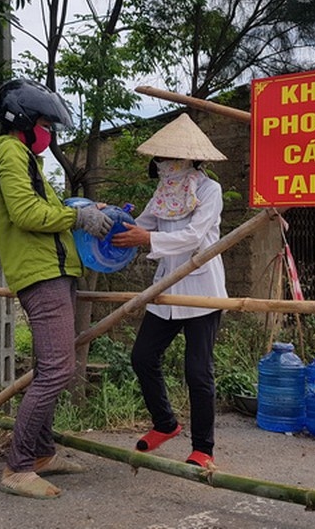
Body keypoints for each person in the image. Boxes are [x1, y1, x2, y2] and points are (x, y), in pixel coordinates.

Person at [0, 78, 114, 499]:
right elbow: (24, 212)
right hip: (41, 274)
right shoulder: (9, 154)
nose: (48, 132)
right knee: (58, 370)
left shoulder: (23, 158)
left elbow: (50, 209)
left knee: (51, 366)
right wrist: (77, 220)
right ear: (22, 121)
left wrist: (85, 211)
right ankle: (18, 466)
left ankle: (40, 453)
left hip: (51, 270)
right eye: (43, 122)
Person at [111, 113, 228, 468]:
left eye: (168, 159)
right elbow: (140, 224)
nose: (163, 166)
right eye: (160, 160)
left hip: (202, 291)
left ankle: (203, 449)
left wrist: (148, 238)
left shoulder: (210, 191)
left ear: (190, 160)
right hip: (165, 288)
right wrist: (109, 217)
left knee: (197, 371)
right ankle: (166, 424)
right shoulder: (164, 193)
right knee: (142, 357)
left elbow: (194, 237)